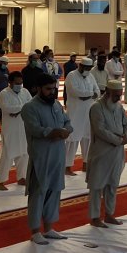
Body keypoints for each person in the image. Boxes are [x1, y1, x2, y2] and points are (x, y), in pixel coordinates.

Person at [21, 74, 73, 243]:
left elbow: (67, 122)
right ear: (38, 88)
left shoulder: (57, 104)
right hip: (41, 157)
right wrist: (53, 132)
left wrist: (67, 130)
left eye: (54, 88)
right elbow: (35, 129)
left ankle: (49, 228)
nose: (52, 92)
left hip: (58, 156)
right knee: (38, 193)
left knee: (54, 190)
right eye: (48, 89)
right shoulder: (30, 107)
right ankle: (35, 231)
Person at [86, 80, 127, 227]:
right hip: (101, 153)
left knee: (112, 185)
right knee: (96, 186)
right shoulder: (96, 107)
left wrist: (125, 136)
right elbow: (100, 130)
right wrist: (118, 140)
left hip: (116, 153)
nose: (118, 98)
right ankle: (95, 218)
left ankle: (109, 214)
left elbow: (126, 124)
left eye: (120, 95)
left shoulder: (119, 107)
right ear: (107, 92)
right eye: (116, 95)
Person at [0, 71, 32, 190]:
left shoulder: (25, 92)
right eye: (17, 83)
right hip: (10, 129)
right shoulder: (4, 93)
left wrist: (18, 111)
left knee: (24, 154)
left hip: (23, 128)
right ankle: (1, 181)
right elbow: (7, 108)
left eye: (21, 83)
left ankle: (22, 177)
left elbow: (31, 105)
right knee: (7, 155)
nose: (19, 85)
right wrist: (21, 109)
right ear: (10, 83)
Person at [64, 56, 100, 175]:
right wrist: (91, 94)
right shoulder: (71, 76)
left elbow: (97, 91)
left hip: (88, 112)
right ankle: (67, 167)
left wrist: (88, 95)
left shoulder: (90, 76)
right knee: (72, 139)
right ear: (80, 66)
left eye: (89, 68)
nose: (87, 70)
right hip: (75, 112)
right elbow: (75, 92)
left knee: (87, 138)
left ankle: (86, 163)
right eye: (86, 68)